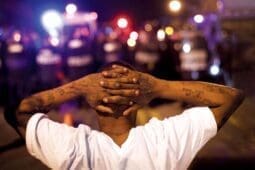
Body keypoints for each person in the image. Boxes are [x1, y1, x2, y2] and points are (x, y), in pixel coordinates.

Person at [4, 63, 244, 170]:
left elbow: (17, 112)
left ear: (94, 102)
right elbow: (231, 98)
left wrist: (79, 87)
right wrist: (157, 86)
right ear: (138, 99)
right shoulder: (165, 141)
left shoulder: (72, 148)